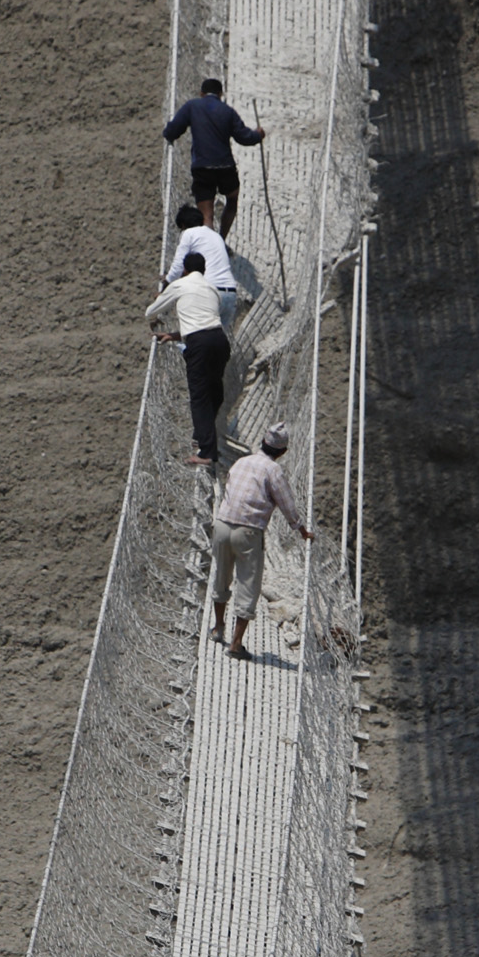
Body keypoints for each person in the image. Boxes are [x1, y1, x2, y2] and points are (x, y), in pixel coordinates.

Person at [210, 423, 312, 659]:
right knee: (248, 585)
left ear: (262, 443)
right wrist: (302, 530)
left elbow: (229, 488)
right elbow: (286, 504)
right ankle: (235, 645)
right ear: (282, 452)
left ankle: (217, 628)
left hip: (222, 524)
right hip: (248, 533)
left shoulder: (241, 462)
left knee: (221, 576)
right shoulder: (273, 470)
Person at [145, 252, 229, 467]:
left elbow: (151, 312)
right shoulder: (211, 289)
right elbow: (202, 321)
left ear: (184, 270)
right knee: (215, 393)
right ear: (204, 270)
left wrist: (157, 310)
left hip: (199, 344)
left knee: (200, 396)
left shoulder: (180, 284)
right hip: (220, 340)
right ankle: (202, 435)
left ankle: (206, 452)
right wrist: (174, 335)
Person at [163, 79, 262, 235]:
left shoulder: (192, 106)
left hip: (202, 167)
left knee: (206, 215)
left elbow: (172, 130)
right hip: (225, 166)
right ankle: (221, 238)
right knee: (232, 198)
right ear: (220, 94)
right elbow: (244, 137)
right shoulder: (228, 111)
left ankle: (210, 246)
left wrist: (168, 134)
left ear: (201, 93)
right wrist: (258, 135)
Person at [168, 201, 242, 332]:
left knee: (197, 338)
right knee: (216, 341)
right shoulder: (216, 236)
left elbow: (177, 266)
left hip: (210, 293)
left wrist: (165, 285)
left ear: (184, 225)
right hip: (230, 293)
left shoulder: (188, 234)